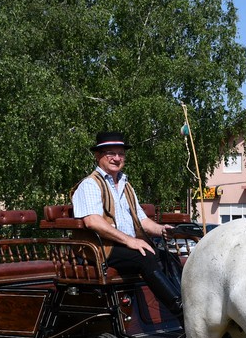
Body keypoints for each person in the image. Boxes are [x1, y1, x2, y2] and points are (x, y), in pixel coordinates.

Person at [71, 131, 183, 316]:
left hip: (122, 247)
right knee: (144, 256)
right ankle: (178, 308)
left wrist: (162, 230)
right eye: (111, 154)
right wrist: (130, 241)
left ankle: (186, 303)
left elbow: (142, 220)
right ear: (98, 156)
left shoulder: (126, 185)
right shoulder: (90, 185)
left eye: (121, 154)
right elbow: (93, 222)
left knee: (168, 258)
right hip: (100, 248)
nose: (117, 158)